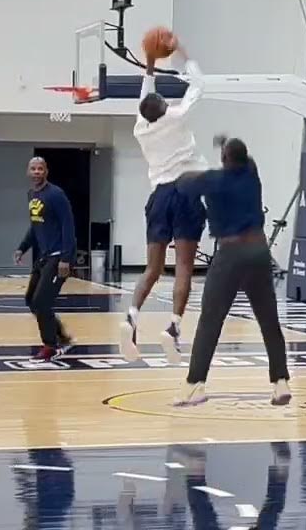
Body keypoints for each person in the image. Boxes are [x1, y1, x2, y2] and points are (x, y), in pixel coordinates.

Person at [171, 138, 290, 407]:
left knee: (210, 320)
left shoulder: (213, 180)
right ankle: (280, 382)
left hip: (231, 254)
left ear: (224, 159)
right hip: (259, 252)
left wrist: (186, 166)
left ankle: (195, 384)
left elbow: (183, 183)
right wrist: (226, 150)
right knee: (269, 320)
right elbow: (244, 160)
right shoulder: (251, 176)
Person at [121, 30, 208, 364]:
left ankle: (131, 316)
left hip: (158, 197)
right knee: (184, 266)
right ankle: (173, 327)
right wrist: (182, 50)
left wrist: (150, 63)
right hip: (184, 192)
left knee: (152, 268)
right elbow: (199, 85)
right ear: (163, 107)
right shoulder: (177, 116)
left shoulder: (140, 127)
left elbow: (145, 94)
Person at [13, 157, 77, 362]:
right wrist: (22, 247)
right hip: (43, 257)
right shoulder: (32, 195)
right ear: (28, 172)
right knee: (31, 300)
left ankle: (51, 346)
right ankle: (60, 335)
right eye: (33, 168)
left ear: (46, 171)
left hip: (58, 258)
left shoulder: (56, 195)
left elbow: (68, 226)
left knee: (42, 302)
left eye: (40, 168)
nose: (36, 172)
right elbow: (35, 225)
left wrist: (66, 258)